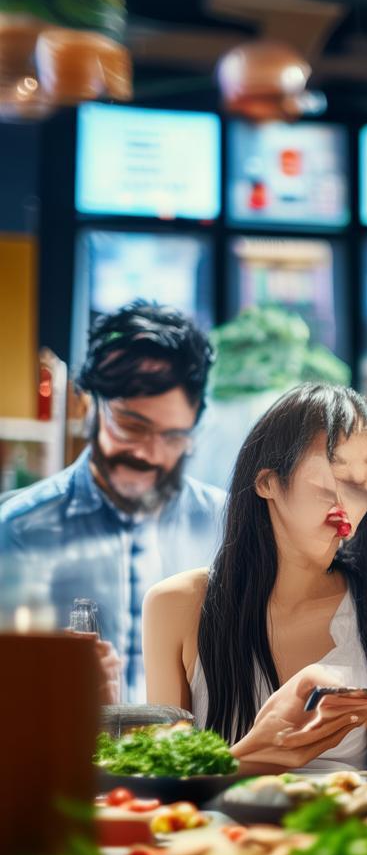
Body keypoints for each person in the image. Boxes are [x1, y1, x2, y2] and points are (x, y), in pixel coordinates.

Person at [143, 383, 367, 775]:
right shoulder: (175, 604)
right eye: (336, 472)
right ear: (268, 482)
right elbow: (164, 784)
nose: (349, 501)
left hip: (342, 832)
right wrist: (253, 753)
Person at [0, 301, 224, 702]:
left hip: (198, 764)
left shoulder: (228, 526)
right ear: (88, 404)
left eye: (173, 436)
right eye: (132, 426)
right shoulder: (16, 532)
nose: (151, 454)